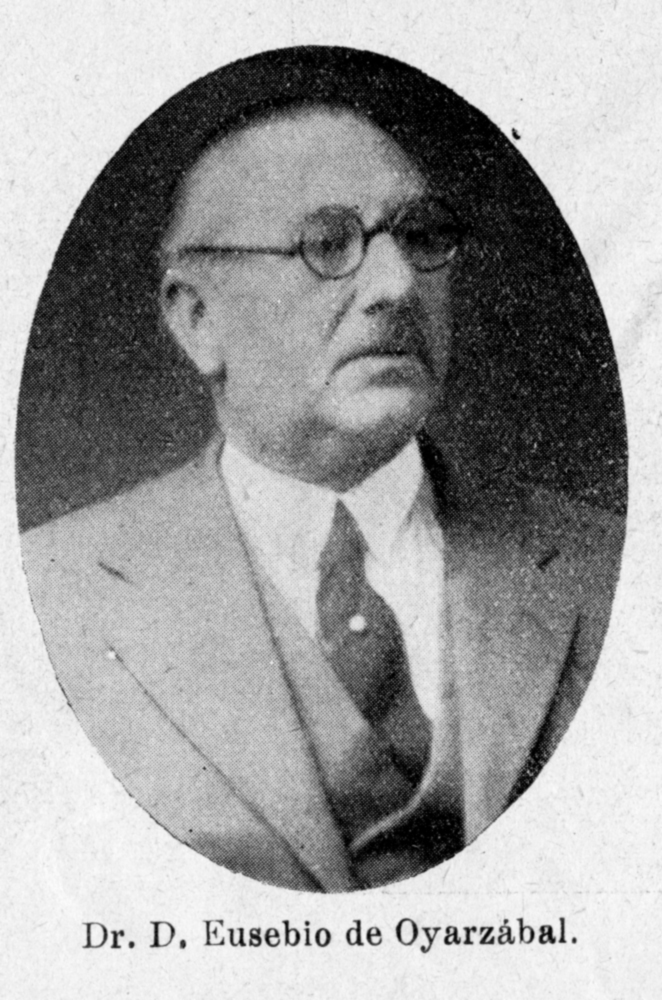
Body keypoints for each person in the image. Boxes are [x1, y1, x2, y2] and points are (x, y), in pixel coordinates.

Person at [21, 99, 624, 892]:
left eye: (421, 236)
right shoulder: (49, 597)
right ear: (199, 320)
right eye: (328, 244)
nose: (398, 284)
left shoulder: (612, 567)